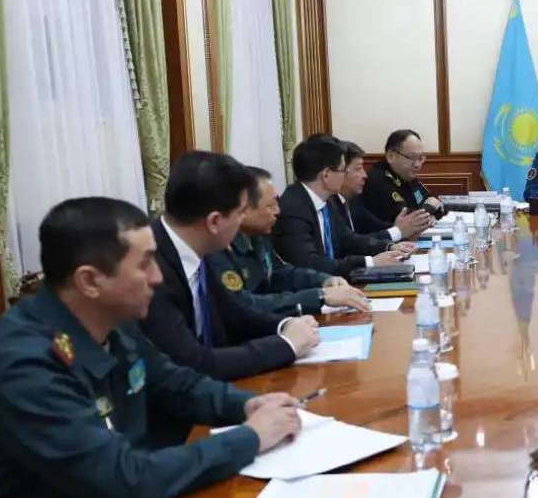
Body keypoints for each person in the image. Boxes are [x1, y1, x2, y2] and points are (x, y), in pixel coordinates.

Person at [0, 197, 303, 498]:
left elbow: (174, 383)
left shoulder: (109, 318)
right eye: (144, 264)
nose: (157, 277)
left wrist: (246, 405)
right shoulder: (26, 366)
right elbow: (123, 479)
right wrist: (250, 437)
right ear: (90, 281)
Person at [140, 152, 320, 383]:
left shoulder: (195, 243)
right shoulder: (150, 271)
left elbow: (232, 312)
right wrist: (286, 345)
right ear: (214, 221)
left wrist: (284, 325)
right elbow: (193, 363)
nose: (243, 220)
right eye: (241, 212)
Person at [206, 166, 371, 316]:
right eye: (270, 206)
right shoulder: (218, 248)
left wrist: (325, 280)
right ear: (244, 209)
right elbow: (244, 305)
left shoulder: (258, 236)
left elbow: (281, 273)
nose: (278, 211)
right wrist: (319, 296)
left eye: (276, 203)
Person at [273, 134, 408, 277]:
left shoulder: (327, 201)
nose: (344, 176)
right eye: (343, 170)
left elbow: (347, 239)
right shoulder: (293, 209)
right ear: (326, 175)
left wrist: (388, 247)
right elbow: (310, 263)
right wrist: (370, 262)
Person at [338, 138, 434, 239]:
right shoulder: (377, 180)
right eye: (358, 169)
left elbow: (375, 227)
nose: (365, 175)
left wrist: (400, 230)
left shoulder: (352, 201)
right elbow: (352, 242)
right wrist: (399, 231)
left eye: (420, 158)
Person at [360, 129, 446, 225]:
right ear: (391, 156)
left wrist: (432, 211)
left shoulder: (408, 176)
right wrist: (429, 209)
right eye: (412, 157)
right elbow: (405, 219)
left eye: (420, 158)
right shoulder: (377, 181)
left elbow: (434, 200)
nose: (417, 165)